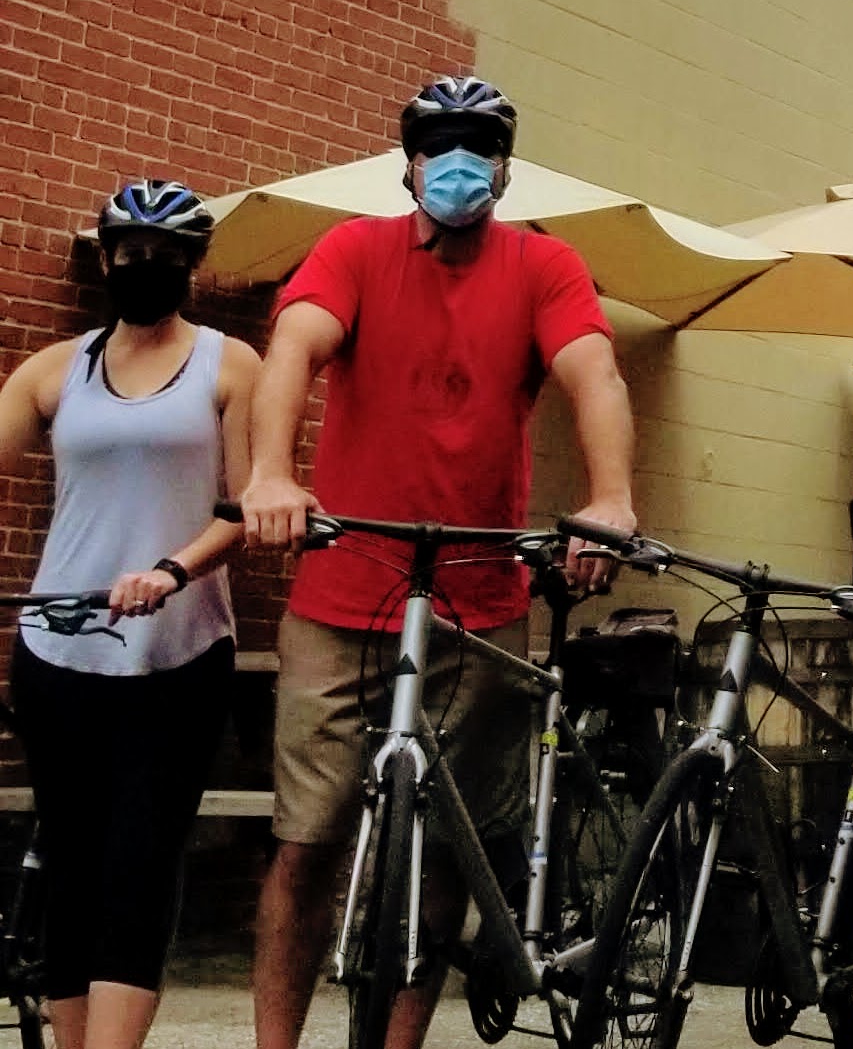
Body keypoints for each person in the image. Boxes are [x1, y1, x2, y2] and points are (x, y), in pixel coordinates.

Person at [240, 76, 636, 1049]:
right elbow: (294, 343)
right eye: (438, 145)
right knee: (306, 841)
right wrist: (268, 475)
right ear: (409, 165)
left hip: (477, 603)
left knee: (445, 849)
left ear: (504, 168)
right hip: (339, 599)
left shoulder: (545, 267)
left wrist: (611, 498)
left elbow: (592, 371)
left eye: (479, 146)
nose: (458, 163)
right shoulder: (354, 251)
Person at [0, 180, 260, 1049]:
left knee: (138, 864)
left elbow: (248, 506)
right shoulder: (51, 370)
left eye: (166, 256)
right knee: (70, 860)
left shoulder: (231, 365)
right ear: (108, 258)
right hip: (57, 648)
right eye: (130, 253)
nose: (145, 267)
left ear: (191, 265)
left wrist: (170, 569)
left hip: (175, 654)